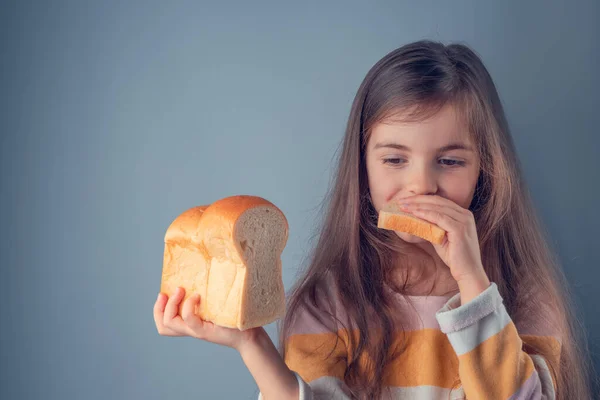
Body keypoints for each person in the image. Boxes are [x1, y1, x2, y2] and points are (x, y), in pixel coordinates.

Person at [153, 40, 594, 399]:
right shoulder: (329, 303)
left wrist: (471, 280)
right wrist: (250, 342)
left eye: (451, 161)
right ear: (362, 169)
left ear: (486, 171)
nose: (421, 186)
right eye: (395, 159)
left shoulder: (524, 298)